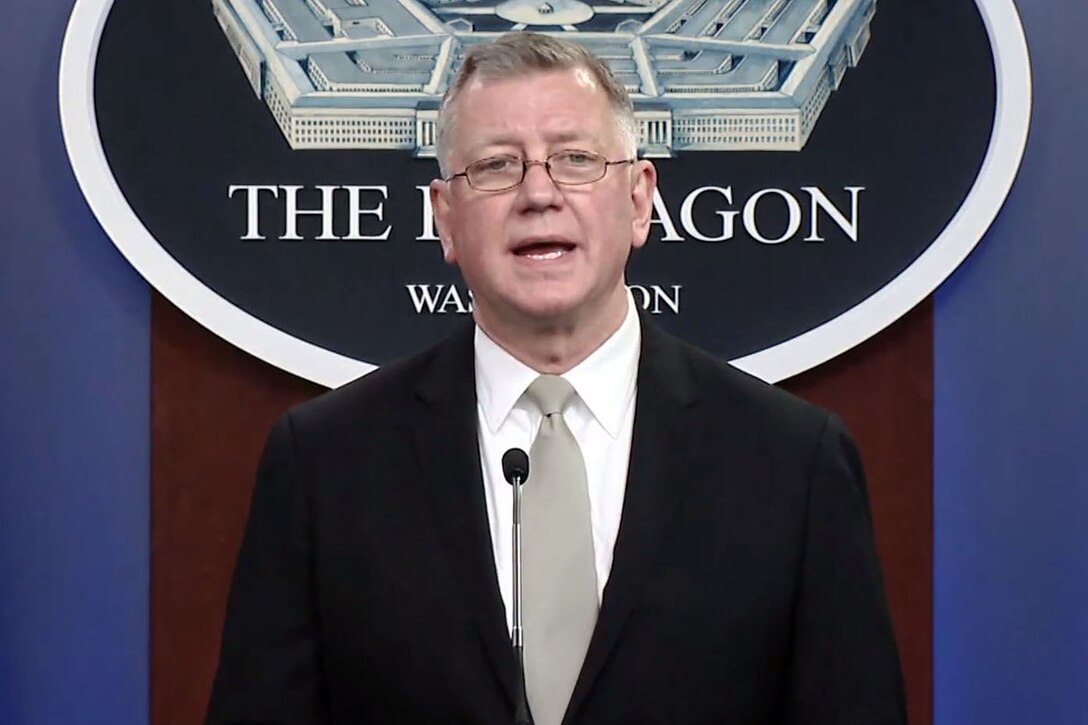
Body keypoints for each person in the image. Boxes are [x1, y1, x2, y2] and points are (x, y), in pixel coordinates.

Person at [206, 32, 906, 725]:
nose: (538, 192)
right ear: (444, 219)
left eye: (575, 160)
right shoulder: (325, 462)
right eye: (495, 166)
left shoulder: (792, 462)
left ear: (638, 201)